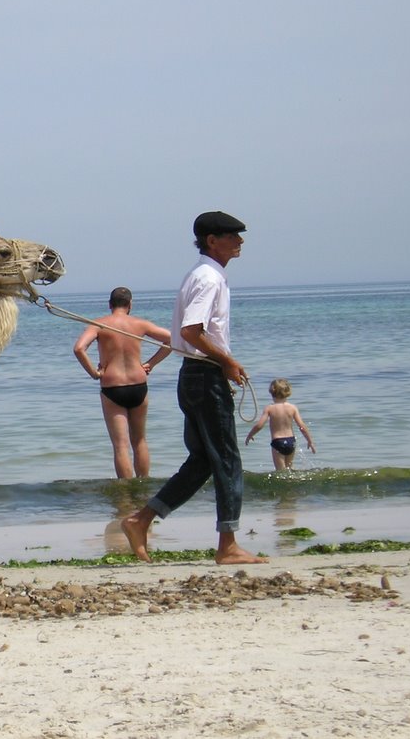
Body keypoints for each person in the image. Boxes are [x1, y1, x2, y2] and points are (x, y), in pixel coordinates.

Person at [122, 210, 268, 565]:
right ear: (212, 241)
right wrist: (227, 361)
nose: (240, 241)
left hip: (193, 375)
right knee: (228, 460)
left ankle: (140, 520)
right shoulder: (209, 278)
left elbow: (187, 335)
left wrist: (222, 362)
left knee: (203, 461)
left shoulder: (203, 275)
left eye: (239, 235)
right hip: (204, 376)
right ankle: (228, 546)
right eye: (232, 235)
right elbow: (191, 331)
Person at [73, 287, 172, 479]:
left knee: (120, 446)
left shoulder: (100, 324)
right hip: (138, 386)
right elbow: (171, 339)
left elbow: (79, 349)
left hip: (113, 387)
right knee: (140, 440)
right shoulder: (140, 324)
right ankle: (142, 487)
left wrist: (94, 372)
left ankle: (126, 494)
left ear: (110, 305)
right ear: (130, 304)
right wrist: (151, 363)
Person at [245, 378, 317, 470]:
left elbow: (260, 425)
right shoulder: (292, 408)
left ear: (271, 391)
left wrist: (250, 435)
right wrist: (310, 441)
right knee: (289, 468)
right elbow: (301, 426)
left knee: (280, 471)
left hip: (278, 442)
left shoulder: (269, 408)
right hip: (291, 441)